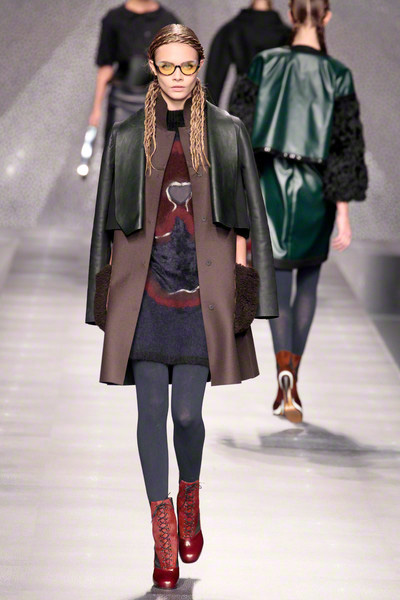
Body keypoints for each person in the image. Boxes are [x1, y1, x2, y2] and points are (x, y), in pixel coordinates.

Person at [85, 24, 278, 589]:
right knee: (150, 412)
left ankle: (188, 495)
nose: (176, 76)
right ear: (152, 67)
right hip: (144, 297)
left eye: (186, 66)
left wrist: (245, 283)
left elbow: (249, 216)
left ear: (199, 68)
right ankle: (162, 531)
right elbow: (106, 224)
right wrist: (104, 296)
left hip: (200, 300)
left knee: (188, 415)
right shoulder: (128, 137)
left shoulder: (226, 132)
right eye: (166, 66)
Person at [230, 0, 368, 423]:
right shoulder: (338, 75)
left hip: (269, 184)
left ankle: (281, 371)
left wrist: (239, 195)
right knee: (308, 284)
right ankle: (293, 376)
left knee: (279, 285)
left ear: (291, 16)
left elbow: (238, 130)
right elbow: (345, 147)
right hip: (316, 190)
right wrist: (342, 213)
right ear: (326, 17)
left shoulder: (264, 63)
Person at [88, 1, 178, 143]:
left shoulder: (168, 22)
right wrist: (96, 109)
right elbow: (106, 66)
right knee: (118, 150)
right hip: (121, 99)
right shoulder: (114, 19)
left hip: (156, 101)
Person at [205, 0, 291, 107]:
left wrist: (209, 114)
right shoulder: (288, 35)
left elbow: (214, 80)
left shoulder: (231, 30)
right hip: (276, 103)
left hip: (243, 103)